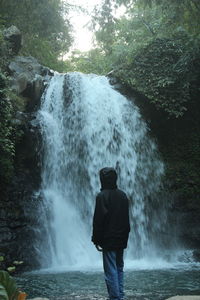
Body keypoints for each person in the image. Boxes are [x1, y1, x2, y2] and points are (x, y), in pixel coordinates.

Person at [92, 167, 130, 300]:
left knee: (110, 270)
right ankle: (120, 294)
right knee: (119, 267)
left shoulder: (102, 196)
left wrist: (96, 239)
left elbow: (98, 221)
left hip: (108, 239)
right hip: (121, 238)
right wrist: (126, 237)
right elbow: (127, 219)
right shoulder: (123, 195)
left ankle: (115, 297)